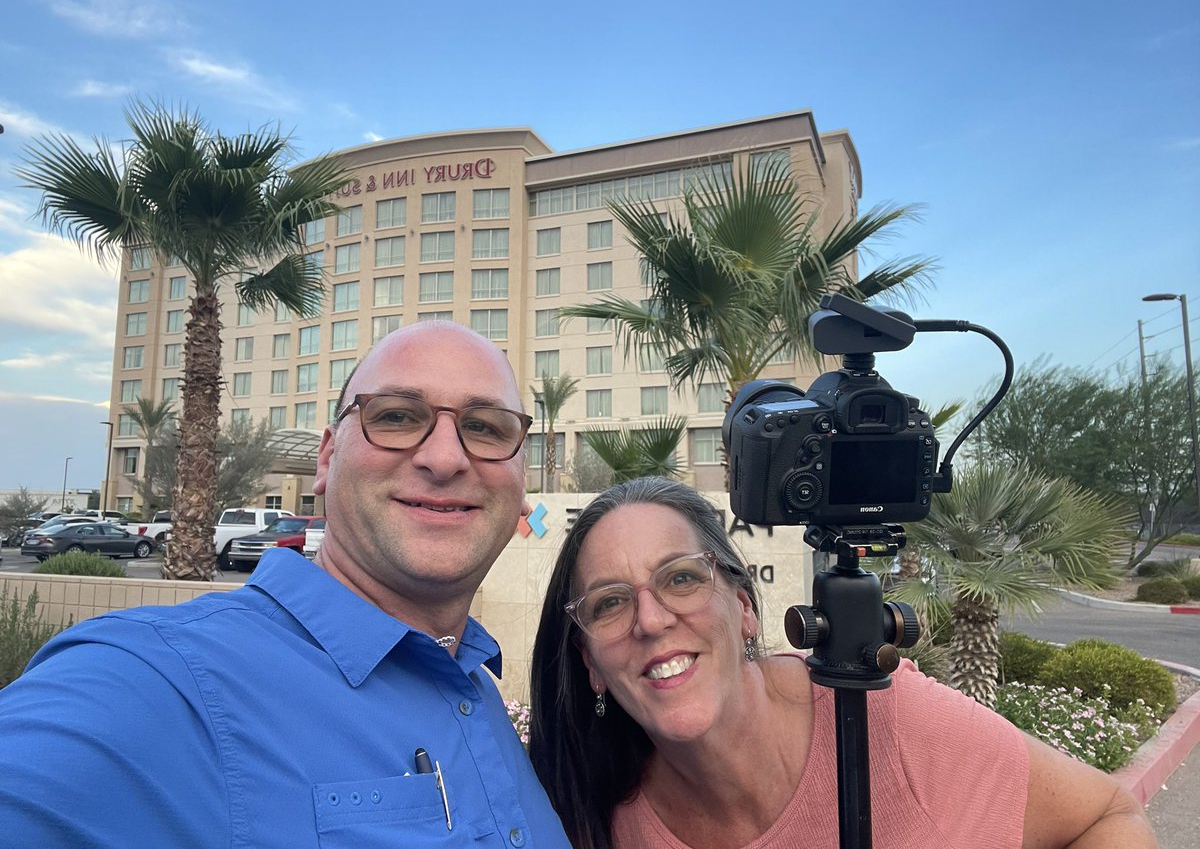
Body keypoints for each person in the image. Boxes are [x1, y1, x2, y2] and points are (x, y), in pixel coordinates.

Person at [0, 321, 570, 847]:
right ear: (326, 458)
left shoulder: (477, 687)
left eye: (485, 427)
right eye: (396, 416)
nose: (445, 458)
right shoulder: (163, 680)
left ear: (520, 482)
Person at [529, 476, 1157, 849]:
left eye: (682, 578)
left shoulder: (883, 718)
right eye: (610, 603)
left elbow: (1109, 817)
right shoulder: (604, 822)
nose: (652, 619)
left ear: (745, 608)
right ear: (588, 660)